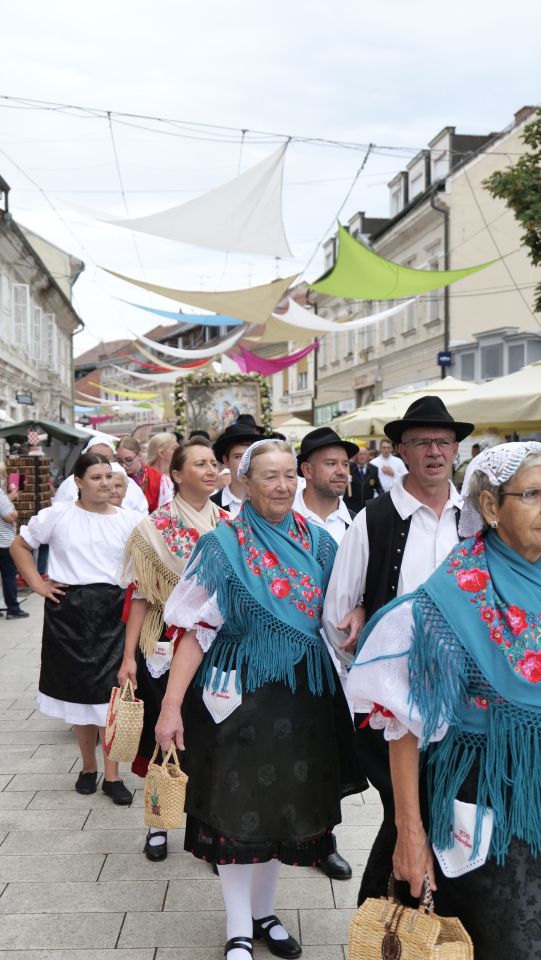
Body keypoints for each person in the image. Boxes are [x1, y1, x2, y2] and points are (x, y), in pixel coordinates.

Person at [156, 439, 362, 960]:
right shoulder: (221, 546)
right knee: (237, 813)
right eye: (269, 476)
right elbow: (194, 631)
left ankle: (265, 913)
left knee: (282, 813)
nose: (282, 485)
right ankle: (238, 928)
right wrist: (170, 707)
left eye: (290, 475)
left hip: (304, 699)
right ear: (244, 483)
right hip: (239, 700)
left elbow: (340, 613)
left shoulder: (320, 543)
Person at [347, 441, 541, 959]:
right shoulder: (442, 607)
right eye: (532, 495)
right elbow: (404, 729)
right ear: (491, 507)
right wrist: (409, 835)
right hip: (478, 807)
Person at [323, 395, 474, 906]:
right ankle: (398, 910)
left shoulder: (477, 518)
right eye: (421, 442)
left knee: (456, 810)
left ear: (456, 449)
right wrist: (373, 681)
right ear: (401, 452)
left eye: (443, 442)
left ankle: (423, 912)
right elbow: (337, 615)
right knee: (407, 812)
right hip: (396, 707)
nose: (434, 451)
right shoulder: (374, 519)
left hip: (468, 701)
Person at [117, 437, 226, 861]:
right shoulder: (153, 528)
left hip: (217, 643)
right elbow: (141, 595)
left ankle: (208, 826)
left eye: (213, 463)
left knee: (212, 734)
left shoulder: (230, 524)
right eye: (200, 464)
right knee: (164, 733)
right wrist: (128, 657)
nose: (211, 470)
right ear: (177, 475)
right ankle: (158, 821)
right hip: (165, 641)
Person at [10, 453, 141, 804]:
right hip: (70, 612)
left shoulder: (132, 520)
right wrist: (37, 584)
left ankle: (113, 775)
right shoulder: (58, 515)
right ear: (79, 482)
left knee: (112, 694)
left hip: (115, 611)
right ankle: (87, 767)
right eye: (96, 477)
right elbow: (19, 544)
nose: (105, 483)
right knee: (79, 694)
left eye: (109, 476)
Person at [294, 426, 362, 883]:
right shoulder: (283, 516)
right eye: (331, 464)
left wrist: (362, 606)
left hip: (339, 660)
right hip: (289, 655)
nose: (341, 471)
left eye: (345, 464)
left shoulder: (356, 523)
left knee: (328, 753)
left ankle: (322, 840)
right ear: (306, 469)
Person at [54, 435, 148, 514]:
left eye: (106, 458)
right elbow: (59, 512)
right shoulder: (70, 483)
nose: (100, 461)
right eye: (95, 457)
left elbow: (141, 511)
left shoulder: (126, 480)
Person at [211, 422, 260, 516]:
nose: (245, 462)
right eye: (238, 457)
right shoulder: (212, 505)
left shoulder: (268, 499)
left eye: (249, 456)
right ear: (226, 461)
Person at [115, 436, 172, 512]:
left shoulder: (159, 479)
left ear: (139, 455)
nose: (124, 465)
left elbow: (167, 507)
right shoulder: (114, 478)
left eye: (129, 460)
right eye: (119, 461)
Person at [0, 484, 29, 619]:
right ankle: (13, 609)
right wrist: (14, 510)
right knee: (9, 576)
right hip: (4, 542)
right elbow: (10, 516)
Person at [344, 445, 383, 513]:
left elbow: (378, 487)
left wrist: (382, 499)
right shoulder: (348, 469)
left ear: (368, 456)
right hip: (351, 507)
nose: (362, 456)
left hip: (368, 507)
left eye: (364, 454)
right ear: (356, 456)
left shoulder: (374, 469)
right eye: (360, 454)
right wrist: (346, 481)